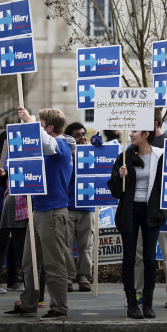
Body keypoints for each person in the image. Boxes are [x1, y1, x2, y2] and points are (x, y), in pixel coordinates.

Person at [3, 107, 75, 321]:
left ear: (49, 127)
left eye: (41, 125)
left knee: (54, 263)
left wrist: (30, 121)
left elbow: (47, 143)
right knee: (29, 261)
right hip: (39, 211)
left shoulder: (61, 145)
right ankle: (29, 303)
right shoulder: (46, 147)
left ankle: (59, 306)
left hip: (53, 213)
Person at [107, 129, 167, 319]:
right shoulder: (124, 157)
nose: (131, 134)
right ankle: (132, 304)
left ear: (146, 134)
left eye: (135, 131)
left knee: (150, 259)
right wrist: (120, 176)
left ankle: (148, 304)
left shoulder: (159, 156)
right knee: (129, 259)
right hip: (129, 212)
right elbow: (115, 191)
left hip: (151, 212)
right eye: (131, 131)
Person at [134, 108, 167, 308]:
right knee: (139, 253)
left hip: (163, 209)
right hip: (139, 209)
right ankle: (138, 293)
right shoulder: (135, 145)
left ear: (153, 124)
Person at [0, 131, 23, 294]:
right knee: (2, 243)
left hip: (12, 206)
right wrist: (9, 189)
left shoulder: (15, 160)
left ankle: (13, 280)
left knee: (14, 244)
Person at [63, 122, 94, 293]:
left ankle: (84, 279)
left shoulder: (91, 153)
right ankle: (68, 278)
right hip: (68, 206)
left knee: (86, 246)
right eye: (78, 135)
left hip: (87, 207)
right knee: (66, 246)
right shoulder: (65, 156)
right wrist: (72, 161)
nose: (82, 138)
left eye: (83, 134)